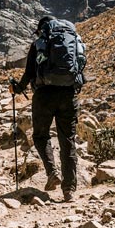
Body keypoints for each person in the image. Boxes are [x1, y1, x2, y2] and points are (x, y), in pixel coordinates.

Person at [9, 15, 86, 202]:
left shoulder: (39, 44)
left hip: (44, 96)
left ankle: (52, 172)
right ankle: (69, 190)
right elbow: (81, 67)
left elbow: (28, 75)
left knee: (40, 136)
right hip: (68, 95)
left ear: (42, 29)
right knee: (67, 140)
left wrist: (16, 87)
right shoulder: (73, 40)